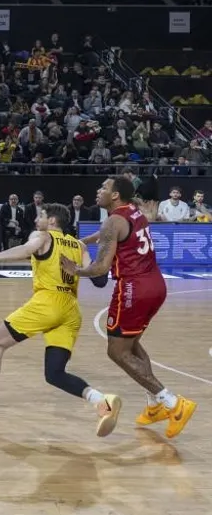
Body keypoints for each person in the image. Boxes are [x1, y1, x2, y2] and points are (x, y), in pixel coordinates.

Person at [0, 203, 122, 435]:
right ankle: (101, 401)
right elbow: (100, 280)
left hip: (48, 303)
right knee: (54, 373)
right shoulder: (79, 245)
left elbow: (24, 250)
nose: (37, 219)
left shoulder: (43, 236)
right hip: (71, 311)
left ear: (52, 221)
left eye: (41, 215)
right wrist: (102, 251)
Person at [62, 176, 197, 439]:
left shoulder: (113, 221)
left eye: (104, 187)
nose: (99, 190)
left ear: (115, 195)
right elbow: (109, 234)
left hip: (133, 289)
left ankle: (173, 403)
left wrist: (74, 270)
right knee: (132, 344)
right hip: (155, 285)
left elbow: (100, 268)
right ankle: (154, 404)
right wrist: (84, 241)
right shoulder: (134, 211)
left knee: (116, 351)